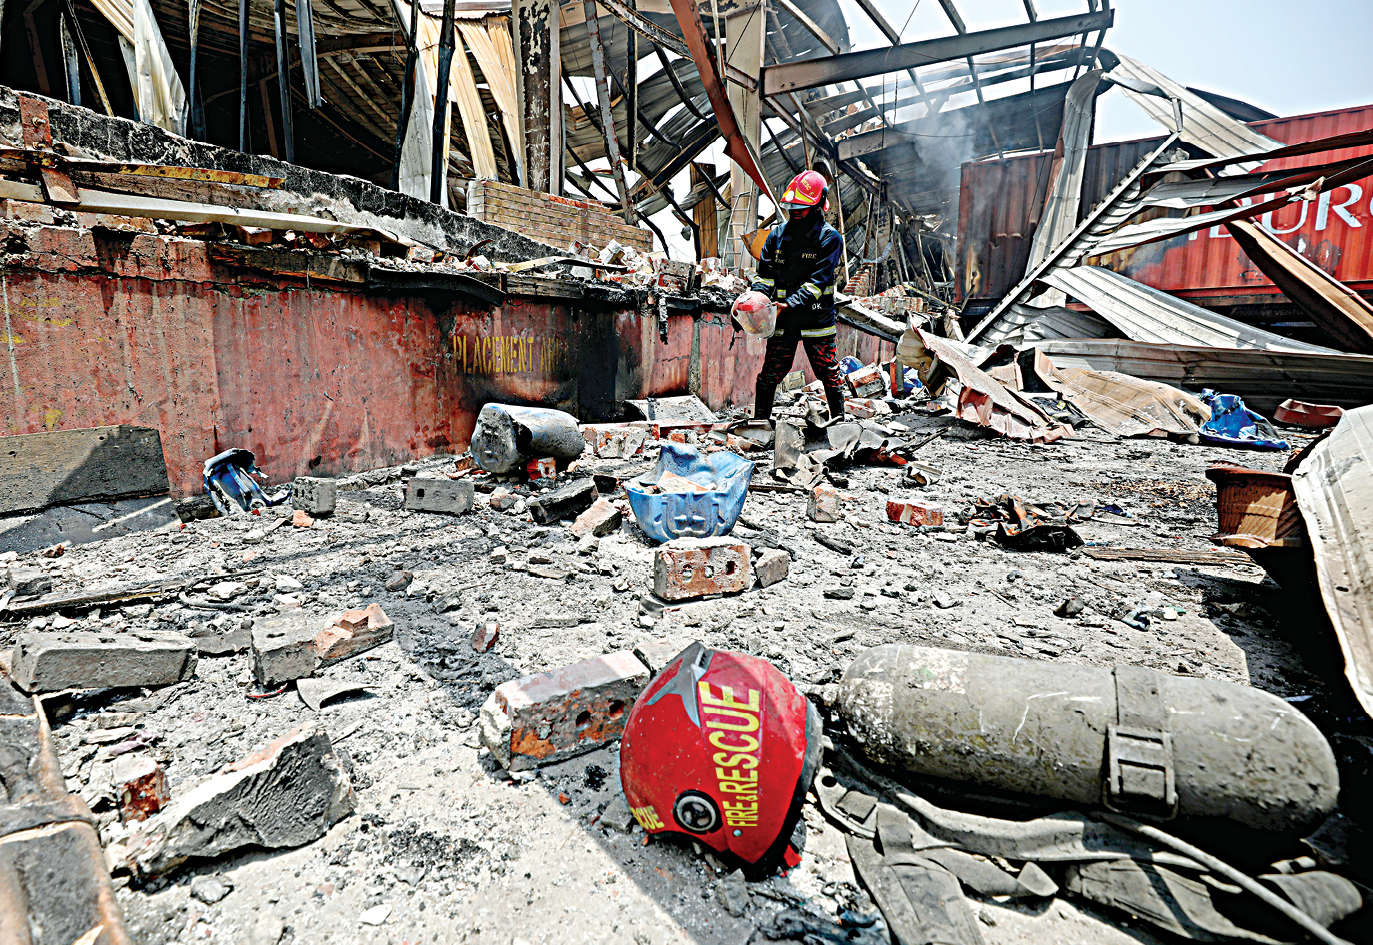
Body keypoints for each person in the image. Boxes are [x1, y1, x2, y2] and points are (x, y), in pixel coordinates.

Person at [750, 169, 846, 422]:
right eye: (792, 207)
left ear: (818, 205)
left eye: (801, 208)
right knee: (771, 372)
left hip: (816, 319)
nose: (795, 211)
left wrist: (789, 304)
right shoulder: (777, 235)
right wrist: (754, 301)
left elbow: (817, 283)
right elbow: (765, 276)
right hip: (782, 318)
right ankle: (760, 423)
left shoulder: (830, 239)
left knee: (828, 371)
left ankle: (839, 422)